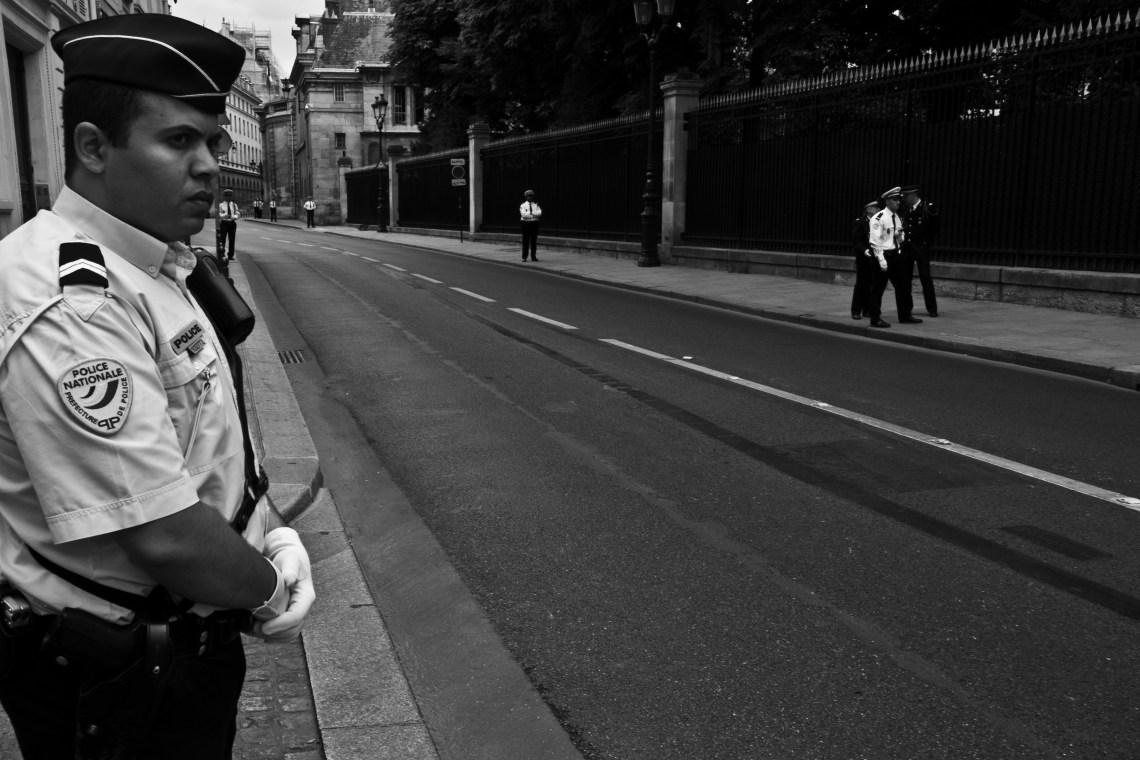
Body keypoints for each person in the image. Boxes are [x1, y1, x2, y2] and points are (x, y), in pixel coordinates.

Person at [0, 15, 314, 760]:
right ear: (93, 148)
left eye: (213, 141)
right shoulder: (70, 300)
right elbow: (163, 532)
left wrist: (268, 526)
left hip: (172, 652)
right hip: (117, 676)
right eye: (179, 141)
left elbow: (207, 434)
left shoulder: (151, 264)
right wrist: (267, 587)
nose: (209, 165)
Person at [869, 187, 922, 325]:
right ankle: (875, 318)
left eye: (899, 200)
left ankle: (905, 315)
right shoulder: (878, 218)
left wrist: (900, 237)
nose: (898, 202)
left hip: (896, 256)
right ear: (887, 201)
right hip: (883, 256)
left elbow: (900, 237)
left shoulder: (897, 217)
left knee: (904, 285)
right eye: (895, 200)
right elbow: (875, 242)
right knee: (878, 288)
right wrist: (881, 260)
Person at [900, 184, 941, 317]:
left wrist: (926, 243)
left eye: (906, 196)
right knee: (906, 278)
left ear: (913, 195)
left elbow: (934, 228)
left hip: (921, 248)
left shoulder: (927, 208)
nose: (904, 199)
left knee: (925, 277)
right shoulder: (905, 209)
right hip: (908, 248)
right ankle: (907, 308)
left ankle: (932, 308)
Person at [850, 199, 881, 321]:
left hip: (875, 258)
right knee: (862, 284)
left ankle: (867, 309)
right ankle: (856, 310)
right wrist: (864, 250)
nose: (878, 209)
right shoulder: (860, 222)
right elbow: (856, 241)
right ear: (868, 209)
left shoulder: (877, 222)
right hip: (864, 258)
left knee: (872, 284)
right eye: (875, 207)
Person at [519, 189, 542, 261]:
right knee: (525, 241)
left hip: (534, 224)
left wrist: (529, 214)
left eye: (531, 196)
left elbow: (539, 213)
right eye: (528, 196)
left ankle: (533, 256)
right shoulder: (523, 205)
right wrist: (533, 215)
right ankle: (524, 257)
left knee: (533, 241)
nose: (529, 197)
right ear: (526, 197)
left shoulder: (536, 205)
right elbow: (523, 215)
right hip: (525, 224)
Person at [217, 187, 239, 260]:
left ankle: (230, 255)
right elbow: (218, 214)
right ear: (224, 196)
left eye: (230, 196)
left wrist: (234, 217)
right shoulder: (221, 205)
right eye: (227, 196)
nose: (228, 197)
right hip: (224, 223)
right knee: (222, 240)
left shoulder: (234, 205)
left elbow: (237, 213)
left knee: (232, 240)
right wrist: (224, 216)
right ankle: (222, 254)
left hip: (232, 223)